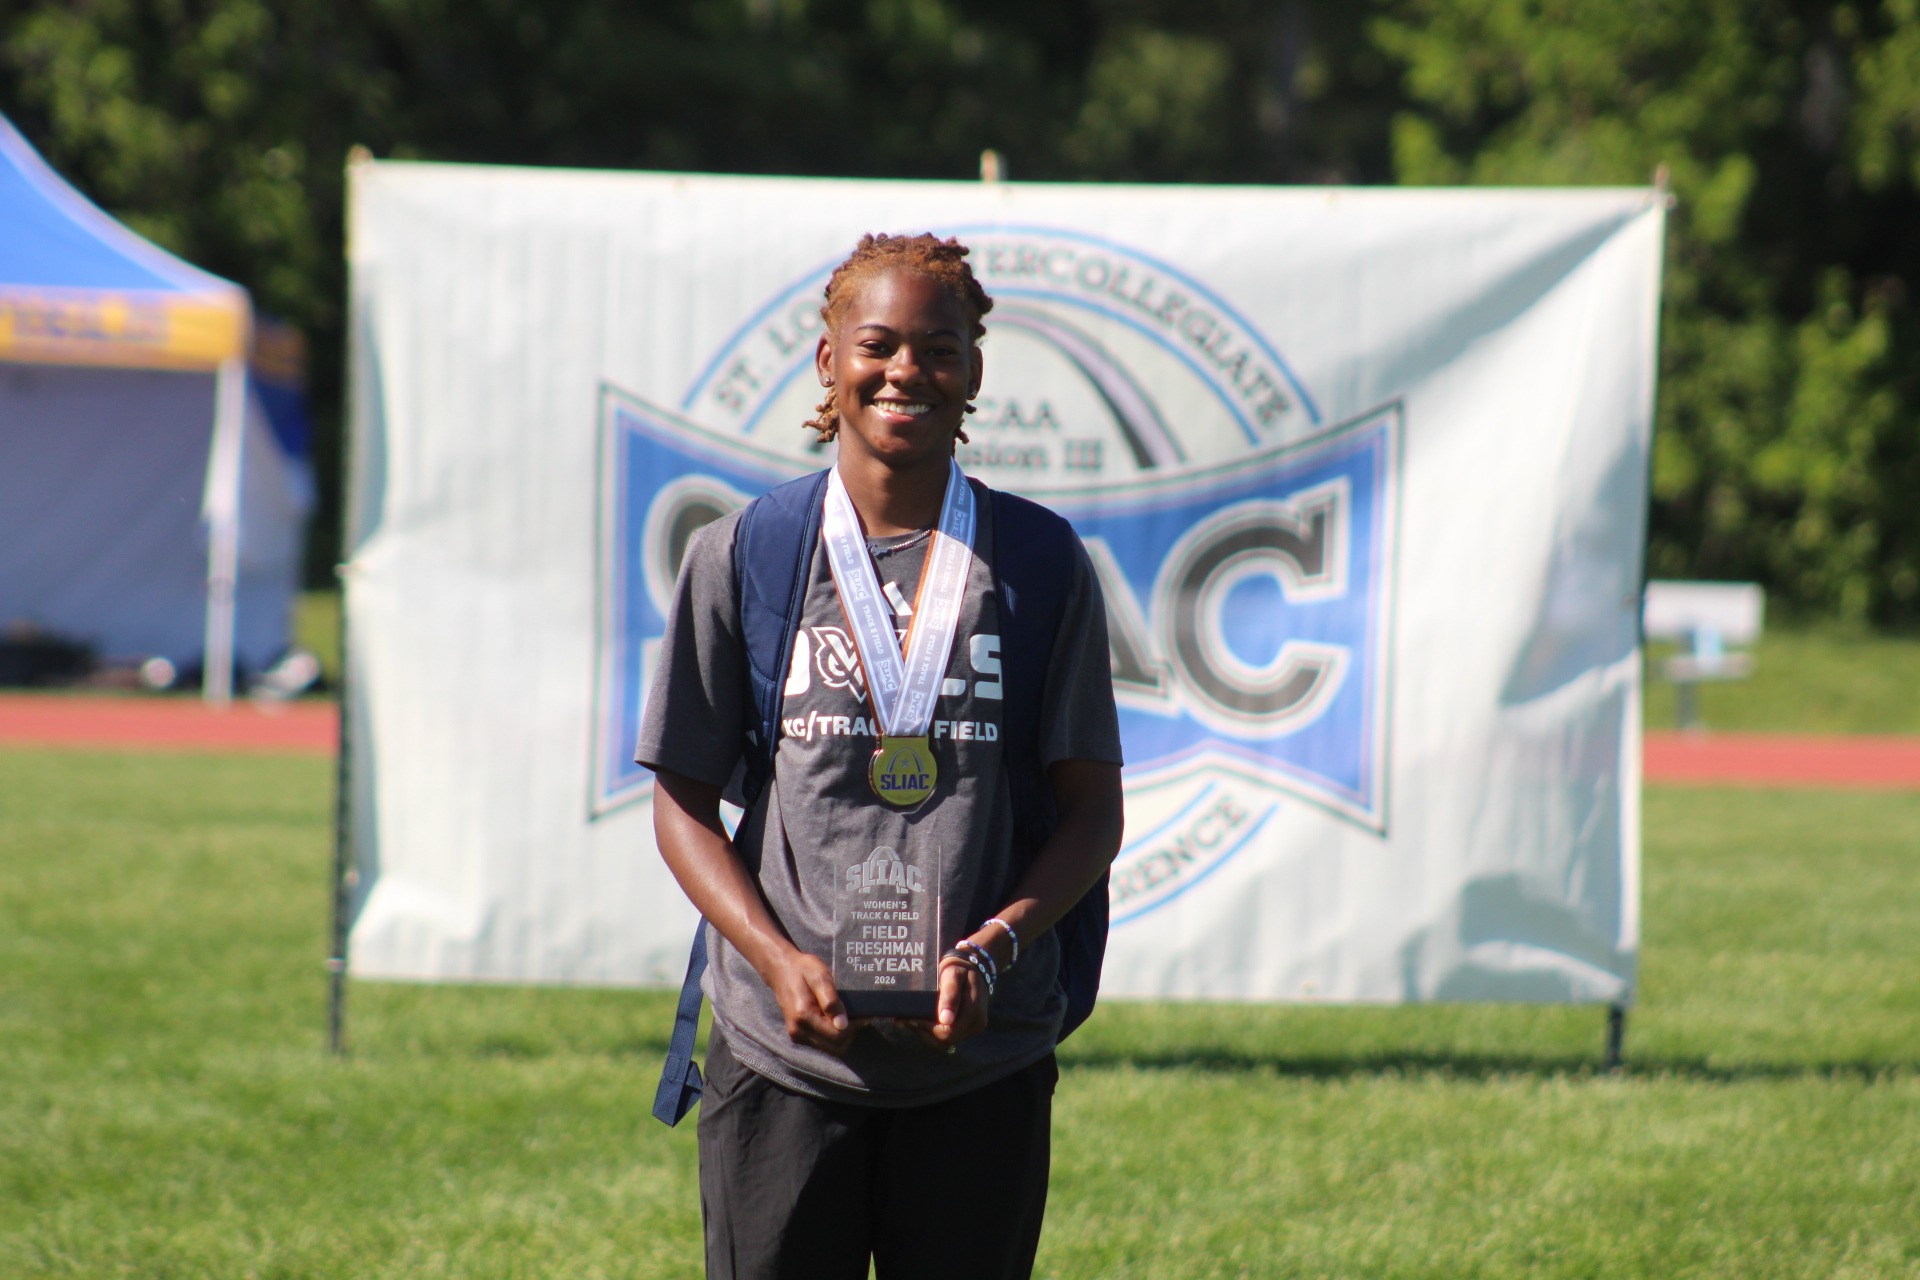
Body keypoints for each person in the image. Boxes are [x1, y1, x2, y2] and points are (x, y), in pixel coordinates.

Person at [636, 231, 1123, 1280]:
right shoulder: (745, 554)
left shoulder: (1037, 565)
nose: (907, 370)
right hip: (786, 1053)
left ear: (973, 371)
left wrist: (996, 942)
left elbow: (1090, 810)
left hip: (978, 1057)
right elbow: (682, 804)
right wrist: (776, 958)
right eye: (879, 344)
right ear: (829, 363)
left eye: (938, 348)